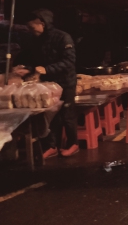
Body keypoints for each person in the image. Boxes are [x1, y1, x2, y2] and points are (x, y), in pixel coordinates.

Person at [13, 9, 79, 158]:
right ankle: (51, 146)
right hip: (48, 84)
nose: (31, 31)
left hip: (65, 82)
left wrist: (47, 69)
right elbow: (36, 62)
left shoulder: (63, 37)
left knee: (67, 115)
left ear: (42, 24)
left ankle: (73, 144)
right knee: (50, 116)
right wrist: (28, 69)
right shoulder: (37, 40)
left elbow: (69, 61)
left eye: (32, 27)